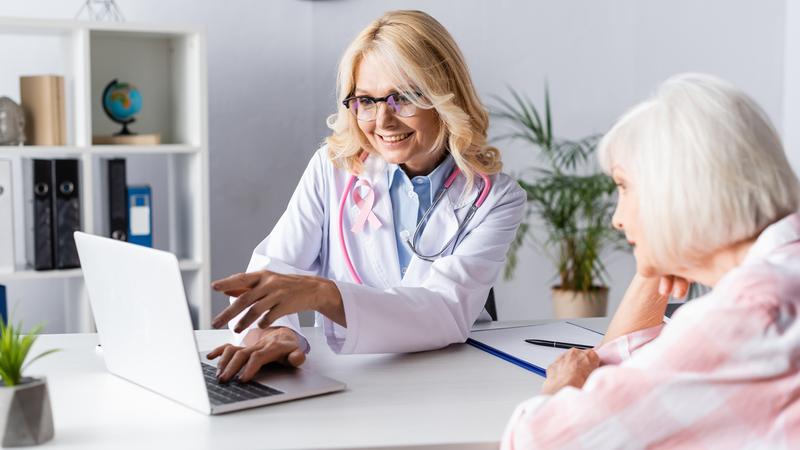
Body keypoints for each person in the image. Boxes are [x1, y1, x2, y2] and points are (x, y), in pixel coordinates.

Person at [207, 10, 526, 383]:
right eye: (366, 101)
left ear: (445, 97)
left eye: (403, 98)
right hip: (354, 377)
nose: (382, 121)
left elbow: (446, 311)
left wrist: (324, 295)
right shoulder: (333, 170)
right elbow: (275, 269)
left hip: (455, 375)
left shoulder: (495, 198)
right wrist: (277, 332)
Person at [502, 73, 800, 448]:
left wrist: (561, 388)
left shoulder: (749, 314)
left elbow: (539, 441)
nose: (617, 218)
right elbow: (622, 371)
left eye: (624, 187)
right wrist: (658, 259)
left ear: (677, 192)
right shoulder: (781, 275)